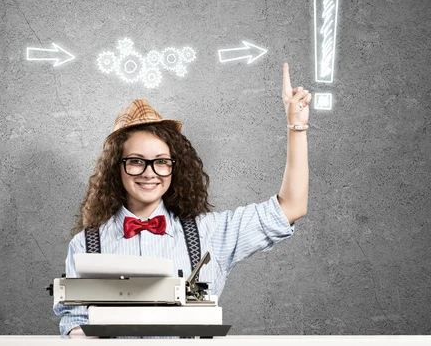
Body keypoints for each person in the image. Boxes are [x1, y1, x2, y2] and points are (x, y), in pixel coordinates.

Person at [54, 62, 311, 336]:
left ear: (175, 168)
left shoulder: (209, 233)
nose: (149, 173)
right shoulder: (85, 245)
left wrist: (296, 126)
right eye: (136, 161)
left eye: (161, 162)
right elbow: (75, 322)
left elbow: (291, 206)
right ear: (117, 168)